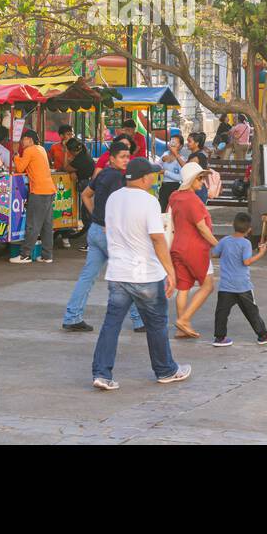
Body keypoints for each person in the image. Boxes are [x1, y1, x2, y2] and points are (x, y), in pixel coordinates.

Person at [90, 158, 191, 390]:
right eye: (153, 175)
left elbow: (108, 228)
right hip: (145, 273)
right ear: (145, 178)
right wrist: (170, 271)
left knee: (111, 324)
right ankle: (165, 370)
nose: (154, 178)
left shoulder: (114, 198)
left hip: (118, 273)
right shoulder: (149, 201)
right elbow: (157, 238)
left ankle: (101, 373)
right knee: (156, 324)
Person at [63, 140, 143, 332]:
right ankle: (139, 320)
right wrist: (109, 223)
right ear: (112, 159)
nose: (126, 160)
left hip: (96, 231)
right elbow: (118, 208)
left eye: (128, 157)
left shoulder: (103, 174)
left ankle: (72, 316)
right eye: (122, 157)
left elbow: (85, 195)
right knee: (129, 275)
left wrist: (96, 216)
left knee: (87, 277)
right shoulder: (117, 178)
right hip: (110, 233)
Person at [210, 213, 267, 347]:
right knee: (252, 311)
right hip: (243, 286)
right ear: (249, 229)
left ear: (233, 225)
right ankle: (263, 335)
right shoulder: (245, 243)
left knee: (222, 312)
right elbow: (246, 262)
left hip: (226, 285)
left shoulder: (225, 240)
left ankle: (219, 338)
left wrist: (227, 255)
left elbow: (214, 253)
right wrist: (261, 253)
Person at [169, 161, 219, 337]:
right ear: (192, 179)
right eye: (200, 178)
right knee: (208, 285)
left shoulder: (175, 196)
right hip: (195, 248)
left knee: (183, 287)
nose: (202, 181)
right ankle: (184, 320)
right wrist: (218, 245)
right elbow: (202, 228)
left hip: (177, 247)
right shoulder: (194, 201)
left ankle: (181, 328)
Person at [11, 131, 57, 265]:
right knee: (47, 225)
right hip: (49, 189)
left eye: (23, 139)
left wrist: (15, 154)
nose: (21, 142)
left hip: (39, 191)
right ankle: (47, 255)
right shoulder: (41, 149)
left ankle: (25, 255)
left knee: (33, 224)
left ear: (30, 140)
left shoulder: (29, 150)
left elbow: (19, 168)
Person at [158, 135, 186, 211]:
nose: (172, 144)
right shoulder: (165, 154)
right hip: (164, 186)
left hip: (175, 187)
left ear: (180, 146)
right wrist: (161, 161)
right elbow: (157, 167)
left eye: (175, 142)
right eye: (171, 141)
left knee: (173, 211)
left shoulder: (181, 159)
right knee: (162, 209)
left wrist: (165, 172)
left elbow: (181, 177)